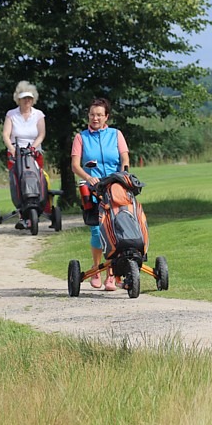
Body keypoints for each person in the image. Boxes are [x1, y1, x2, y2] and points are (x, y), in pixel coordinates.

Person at [71, 98, 130, 291]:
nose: (95, 118)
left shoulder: (116, 134)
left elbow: (124, 158)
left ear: (106, 117)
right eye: (92, 114)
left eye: (99, 115)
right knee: (97, 230)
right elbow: (75, 166)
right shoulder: (81, 137)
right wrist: (88, 177)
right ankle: (96, 269)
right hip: (92, 187)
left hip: (115, 186)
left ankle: (111, 274)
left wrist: (123, 176)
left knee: (116, 227)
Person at [1, 80, 47, 229]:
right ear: (18, 99)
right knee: (18, 181)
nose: (27, 101)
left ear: (33, 99)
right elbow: (6, 135)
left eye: (29, 98)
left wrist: (33, 147)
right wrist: (12, 149)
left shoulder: (38, 114)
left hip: (34, 153)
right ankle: (22, 211)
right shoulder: (11, 114)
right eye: (24, 98)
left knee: (37, 179)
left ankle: (38, 205)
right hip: (16, 153)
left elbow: (41, 134)